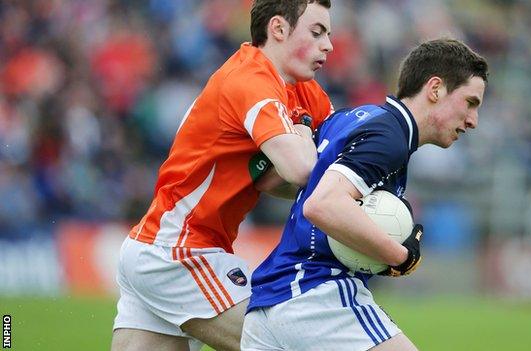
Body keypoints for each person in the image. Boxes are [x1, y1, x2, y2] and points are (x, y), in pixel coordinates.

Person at [111, 1, 333, 350]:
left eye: (329, 34)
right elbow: (302, 169)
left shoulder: (304, 91)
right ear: (278, 29)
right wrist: (304, 136)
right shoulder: (250, 79)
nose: (328, 45)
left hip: (157, 248)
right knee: (280, 341)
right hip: (180, 251)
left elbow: (280, 178)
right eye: (317, 32)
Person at [241, 38, 488, 351]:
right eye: (470, 103)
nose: (473, 121)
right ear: (435, 89)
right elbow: (322, 205)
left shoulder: (355, 118)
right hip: (318, 297)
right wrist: (401, 256)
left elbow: (271, 182)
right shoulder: (390, 138)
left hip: (268, 307)